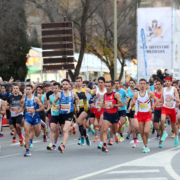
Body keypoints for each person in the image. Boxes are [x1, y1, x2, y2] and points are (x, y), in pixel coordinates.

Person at [130, 79, 159, 153]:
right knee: (142, 132)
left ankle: (149, 126)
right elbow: (133, 102)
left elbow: (157, 100)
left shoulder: (149, 93)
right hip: (140, 114)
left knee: (146, 131)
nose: (142, 85)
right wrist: (131, 105)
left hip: (147, 114)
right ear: (138, 85)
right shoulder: (136, 94)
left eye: (144, 84)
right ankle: (146, 146)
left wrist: (152, 108)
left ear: (146, 85)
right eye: (141, 84)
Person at [53, 79, 79, 153]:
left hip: (69, 114)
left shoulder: (73, 94)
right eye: (63, 84)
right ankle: (73, 127)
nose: (64, 85)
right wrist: (56, 105)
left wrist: (78, 106)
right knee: (64, 131)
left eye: (66, 84)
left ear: (69, 85)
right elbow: (54, 102)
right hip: (61, 114)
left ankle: (63, 146)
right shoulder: (59, 94)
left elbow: (77, 99)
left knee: (64, 130)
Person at [17, 84, 44, 157]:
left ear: (32, 90)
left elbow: (42, 108)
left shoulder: (36, 98)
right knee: (26, 132)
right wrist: (18, 111)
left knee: (37, 134)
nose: (27, 90)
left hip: (35, 118)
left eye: (29, 89)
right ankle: (27, 150)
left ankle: (41, 124)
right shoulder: (24, 99)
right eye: (26, 89)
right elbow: (23, 108)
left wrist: (35, 110)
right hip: (27, 117)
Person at [98, 81, 123, 152]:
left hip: (114, 115)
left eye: (109, 86)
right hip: (106, 114)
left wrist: (114, 105)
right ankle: (104, 145)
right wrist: (100, 108)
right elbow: (103, 103)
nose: (107, 88)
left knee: (114, 131)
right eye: (106, 86)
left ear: (112, 87)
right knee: (105, 129)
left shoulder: (115, 95)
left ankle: (116, 133)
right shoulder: (105, 95)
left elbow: (121, 104)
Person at [160, 76, 180, 147]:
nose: (167, 82)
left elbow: (178, 100)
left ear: (171, 82)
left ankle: (176, 137)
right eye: (166, 81)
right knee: (162, 120)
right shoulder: (163, 89)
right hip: (165, 108)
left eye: (168, 81)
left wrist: (173, 99)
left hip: (172, 109)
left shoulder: (174, 89)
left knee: (173, 125)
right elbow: (161, 99)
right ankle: (164, 133)